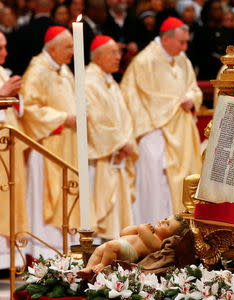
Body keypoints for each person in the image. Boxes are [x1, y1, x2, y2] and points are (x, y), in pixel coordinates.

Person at [121, 17, 202, 226]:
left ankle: (180, 231)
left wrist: (192, 100)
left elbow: (194, 88)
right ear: (166, 39)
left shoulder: (183, 59)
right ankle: (153, 234)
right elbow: (135, 98)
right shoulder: (144, 61)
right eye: (181, 42)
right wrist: (174, 106)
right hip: (155, 133)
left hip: (181, 131)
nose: (185, 47)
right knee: (157, 188)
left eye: (186, 42)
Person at [21, 26, 79, 257]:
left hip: (67, 145)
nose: (72, 52)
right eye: (68, 47)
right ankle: (44, 253)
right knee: (44, 197)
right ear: (52, 49)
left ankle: (66, 249)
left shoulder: (63, 70)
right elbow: (30, 109)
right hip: (46, 147)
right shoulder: (36, 71)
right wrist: (64, 118)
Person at [85, 35, 138, 240]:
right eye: (113, 53)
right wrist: (121, 143)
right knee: (99, 208)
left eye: (119, 52)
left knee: (118, 210)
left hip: (117, 155)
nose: (119, 57)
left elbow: (126, 117)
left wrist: (127, 142)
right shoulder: (89, 82)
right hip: (101, 157)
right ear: (97, 57)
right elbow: (94, 120)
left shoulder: (110, 82)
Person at [0, 31, 28, 269]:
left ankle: (9, 257)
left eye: (5, 47)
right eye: (0, 48)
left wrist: (16, 98)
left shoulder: (2, 71)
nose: (5, 53)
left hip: (9, 149)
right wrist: (2, 95)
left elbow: (16, 110)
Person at [78, 215, 187, 275]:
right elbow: (123, 233)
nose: (162, 221)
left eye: (167, 224)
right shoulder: (149, 233)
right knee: (98, 250)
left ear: (170, 236)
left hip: (129, 252)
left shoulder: (157, 243)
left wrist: (141, 227)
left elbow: (142, 230)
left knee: (111, 246)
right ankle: (88, 268)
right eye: (165, 219)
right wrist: (135, 228)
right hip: (121, 244)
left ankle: (103, 265)